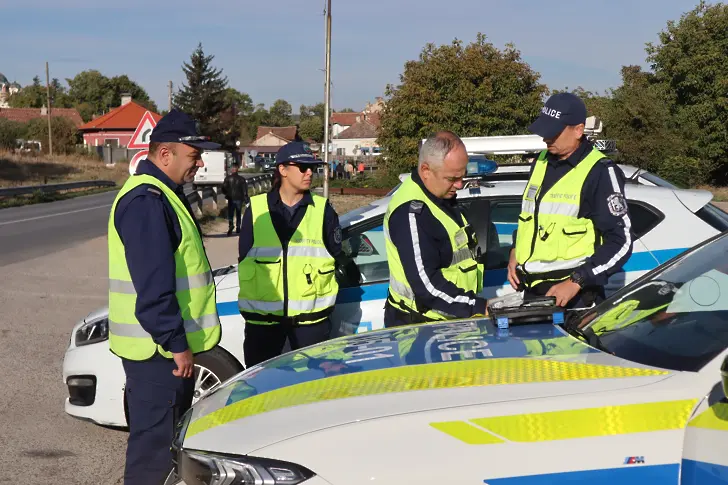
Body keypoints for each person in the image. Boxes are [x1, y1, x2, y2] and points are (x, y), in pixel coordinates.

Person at [107, 109, 222, 484]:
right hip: (157, 354)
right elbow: (154, 287)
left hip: (157, 351)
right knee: (153, 458)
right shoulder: (147, 201)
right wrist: (177, 343)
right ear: (165, 154)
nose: (199, 163)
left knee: (164, 451)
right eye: (194, 155)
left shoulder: (163, 196)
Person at [507, 92, 634, 308]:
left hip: (574, 299)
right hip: (532, 293)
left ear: (578, 130)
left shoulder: (600, 171)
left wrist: (577, 281)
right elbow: (533, 218)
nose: (546, 138)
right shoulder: (541, 162)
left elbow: (622, 241)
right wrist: (515, 250)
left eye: (553, 132)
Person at [237, 141, 345, 368]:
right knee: (264, 394)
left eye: (312, 168)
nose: (309, 173)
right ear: (282, 170)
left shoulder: (323, 210)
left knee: (309, 394)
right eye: (302, 167)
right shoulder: (256, 210)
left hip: (310, 329)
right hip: (263, 330)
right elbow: (244, 258)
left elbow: (336, 256)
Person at [383, 131, 487, 328]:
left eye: (462, 177)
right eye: (452, 178)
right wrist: (479, 307)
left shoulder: (440, 197)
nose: (459, 185)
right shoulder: (411, 213)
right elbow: (427, 287)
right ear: (425, 171)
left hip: (450, 318)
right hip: (421, 327)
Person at [222, 164, 248, 236]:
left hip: (231, 198)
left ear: (232, 169)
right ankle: (238, 227)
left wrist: (227, 194)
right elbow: (245, 190)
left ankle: (230, 225)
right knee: (238, 213)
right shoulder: (241, 179)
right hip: (239, 198)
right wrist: (246, 198)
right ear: (237, 169)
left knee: (231, 213)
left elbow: (223, 188)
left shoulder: (227, 178)